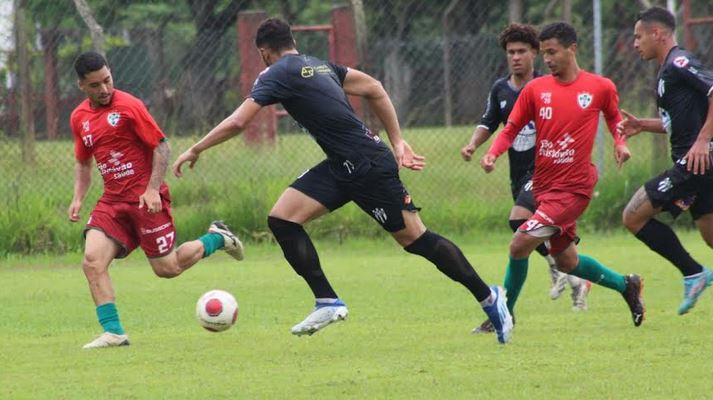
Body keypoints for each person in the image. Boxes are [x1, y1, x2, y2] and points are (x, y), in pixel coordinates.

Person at [172, 18, 513, 343]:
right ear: (293, 42)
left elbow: (237, 122)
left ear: (263, 52)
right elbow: (375, 88)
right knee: (283, 218)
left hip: (367, 164)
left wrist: (196, 148)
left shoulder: (275, 73)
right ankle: (327, 301)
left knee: (416, 239)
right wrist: (396, 140)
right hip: (343, 165)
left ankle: (489, 297)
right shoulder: (321, 65)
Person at [68, 52, 245, 349]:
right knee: (92, 262)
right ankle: (114, 332)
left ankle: (216, 237)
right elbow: (83, 163)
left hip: (145, 200)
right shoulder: (79, 118)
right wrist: (77, 198)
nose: (104, 89)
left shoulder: (129, 106)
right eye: (95, 85)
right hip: (112, 202)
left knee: (168, 268)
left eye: (107, 80)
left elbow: (161, 147)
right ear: (81, 86)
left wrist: (151, 189)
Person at [479, 22, 645, 329]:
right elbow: (511, 128)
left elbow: (613, 118)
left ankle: (504, 314)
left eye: (553, 52)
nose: (548, 60)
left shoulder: (600, 87)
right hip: (544, 186)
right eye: (544, 54)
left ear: (572, 49)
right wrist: (493, 153)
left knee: (519, 243)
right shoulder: (535, 90)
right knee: (568, 262)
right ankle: (627, 285)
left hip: (575, 188)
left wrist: (620, 144)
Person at [461, 24, 590, 333]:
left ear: (536, 53)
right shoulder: (500, 89)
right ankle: (576, 277)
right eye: (511, 53)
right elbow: (490, 122)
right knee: (562, 253)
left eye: (522, 52)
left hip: (549, 173)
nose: (516, 58)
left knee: (518, 221)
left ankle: (509, 311)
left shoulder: (550, 85)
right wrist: (474, 145)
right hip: (519, 175)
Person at [617, 6, 713, 315]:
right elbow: (681, 121)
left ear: (658, 34)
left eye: (639, 36)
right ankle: (694, 272)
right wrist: (644, 125)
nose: (635, 43)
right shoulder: (665, 71)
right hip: (700, 165)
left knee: (633, 216)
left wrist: (702, 141)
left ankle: (693, 273)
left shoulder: (679, 63)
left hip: (694, 163)